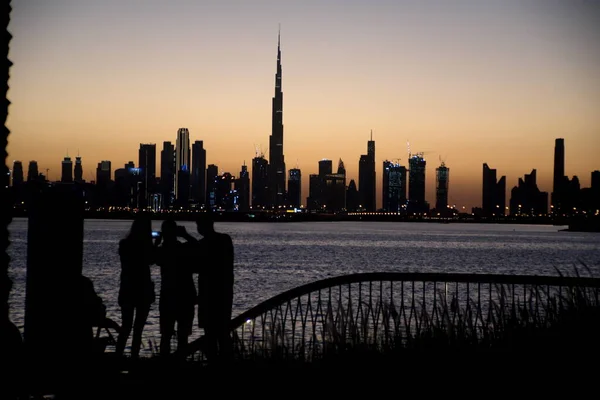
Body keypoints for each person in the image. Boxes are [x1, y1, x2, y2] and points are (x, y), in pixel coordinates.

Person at [178, 212, 234, 363]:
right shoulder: (225, 240)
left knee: (211, 332)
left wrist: (186, 237)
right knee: (222, 332)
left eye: (198, 226)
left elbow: (199, 261)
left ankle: (214, 362)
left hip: (209, 294)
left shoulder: (207, 243)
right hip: (224, 294)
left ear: (202, 227)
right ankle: (225, 362)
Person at [115, 213, 158, 359]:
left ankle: (118, 356)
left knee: (126, 326)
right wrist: (155, 244)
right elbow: (151, 260)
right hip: (143, 289)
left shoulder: (124, 244)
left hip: (127, 288)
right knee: (138, 328)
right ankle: (134, 357)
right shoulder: (146, 247)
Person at [155, 218, 196, 358]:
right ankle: (180, 362)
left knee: (166, 335)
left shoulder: (162, 251)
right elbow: (198, 247)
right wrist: (186, 235)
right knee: (183, 335)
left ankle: (164, 362)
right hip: (185, 295)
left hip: (168, 295)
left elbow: (152, 258)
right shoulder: (184, 248)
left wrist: (156, 243)